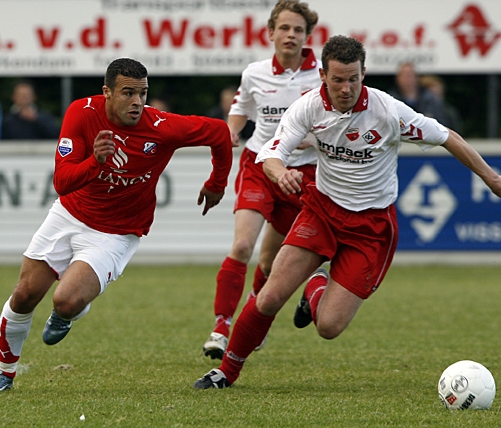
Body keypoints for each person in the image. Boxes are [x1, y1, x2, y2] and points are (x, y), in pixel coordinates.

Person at [194, 35, 501, 389]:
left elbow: (447, 136)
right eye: (338, 79)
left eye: (353, 79)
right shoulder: (308, 107)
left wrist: (491, 178)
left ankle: (316, 284)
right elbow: (271, 153)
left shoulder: (388, 111)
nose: (346, 88)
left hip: (371, 227)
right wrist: (282, 173)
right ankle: (225, 372)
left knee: (328, 327)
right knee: (271, 295)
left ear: (364, 74)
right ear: (323, 75)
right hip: (321, 212)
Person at [0, 57, 234, 393]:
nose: (137, 102)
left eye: (142, 93)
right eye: (128, 93)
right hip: (69, 215)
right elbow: (62, 182)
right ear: (107, 93)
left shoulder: (160, 126)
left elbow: (220, 133)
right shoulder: (81, 113)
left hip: (116, 233)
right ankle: (3, 373)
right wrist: (94, 162)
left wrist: (217, 182)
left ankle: (69, 312)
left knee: (65, 300)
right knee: (24, 295)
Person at [201, 0, 321, 360]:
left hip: (301, 174)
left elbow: (342, 123)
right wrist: (230, 134)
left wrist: (312, 139)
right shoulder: (254, 73)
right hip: (259, 164)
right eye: (284, 28)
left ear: (306, 36)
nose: (290, 35)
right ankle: (221, 328)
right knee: (241, 246)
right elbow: (240, 112)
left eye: (298, 30)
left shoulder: (323, 76)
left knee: (270, 264)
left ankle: (251, 320)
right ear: (271, 33)